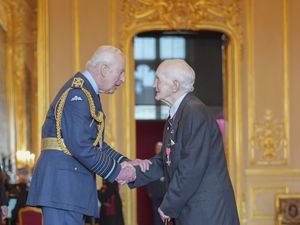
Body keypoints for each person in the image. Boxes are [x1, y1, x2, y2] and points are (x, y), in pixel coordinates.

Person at [27, 45, 150, 225]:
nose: (123, 79)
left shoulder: (87, 93)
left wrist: (125, 161)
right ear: (104, 69)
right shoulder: (78, 94)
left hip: (68, 188)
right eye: (120, 72)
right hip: (63, 189)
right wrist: (117, 171)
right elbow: (80, 144)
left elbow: (94, 142)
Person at [128, 59, 240, 225]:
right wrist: (132, 172)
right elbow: (164, 161)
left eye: (158, 79)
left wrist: (168, 205)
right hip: (194, 209)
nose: (153, 85)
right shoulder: (178, 114)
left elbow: (191, 167)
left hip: (207, 213)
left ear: (175, 85)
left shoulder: (194, 112)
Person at [146, 141, 165, 225]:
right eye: (157, 148)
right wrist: (150, 191)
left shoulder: (168, 161)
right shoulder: (151, 162)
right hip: (156, 193)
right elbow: (148, 178)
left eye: (160, 148)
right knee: (157, 216)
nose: (159, 150)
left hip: (166, 194)